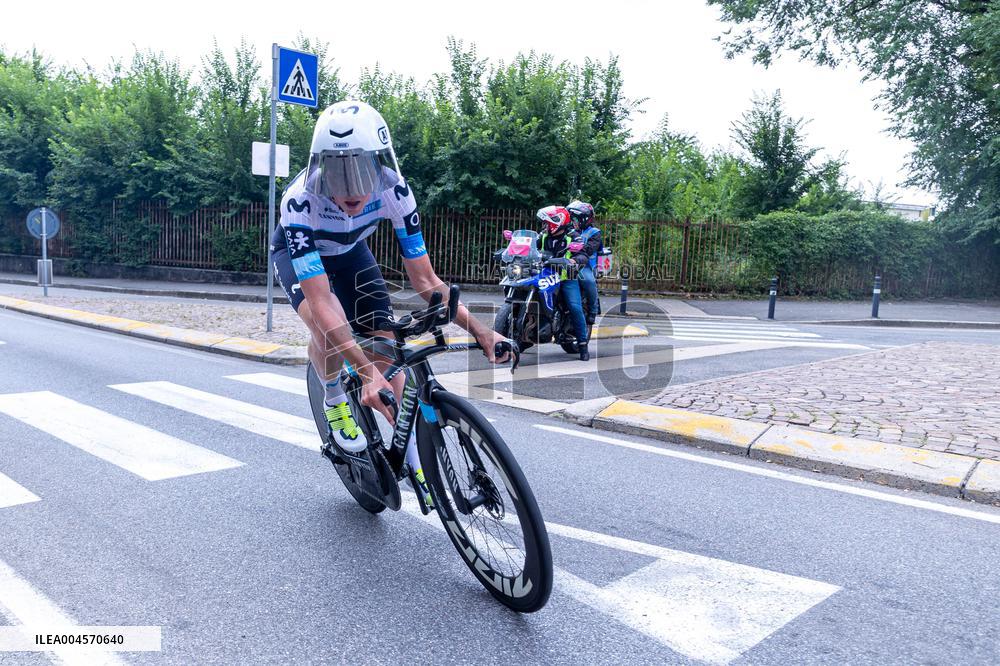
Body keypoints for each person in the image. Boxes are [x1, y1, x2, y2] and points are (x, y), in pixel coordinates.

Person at [271, 100, 509, 465]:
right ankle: (334, 400)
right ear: (321, 166)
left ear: (378, 164)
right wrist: (365, 373)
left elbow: (427, 280)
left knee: (384, 340)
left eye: (361, 173)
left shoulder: (394, 191)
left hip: (351, 252)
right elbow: (321, 302)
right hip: (300, 254)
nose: (351, 189)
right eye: (338, 173)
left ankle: (412, 451)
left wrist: (483, 331)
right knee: (325, 330)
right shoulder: (300, 201)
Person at [536, 205, 591, 361]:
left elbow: (583, 255)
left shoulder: (573, 236)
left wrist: (574, 260)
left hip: (566, 278)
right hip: (544, 276)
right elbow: (531, 247)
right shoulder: (543, 236)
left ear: (556, 222)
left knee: (574, 307)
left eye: (546, 223)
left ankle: (582, 344)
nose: (544, 226)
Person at [567, 200, 601, 327]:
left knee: (588, 281)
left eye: (575, 219)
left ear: (585, 219)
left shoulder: (594, 233)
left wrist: (575, 243)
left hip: (585, 264)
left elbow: (589, 249)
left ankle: (593, 309)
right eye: (571, 218)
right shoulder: (567, 230)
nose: (573, 221)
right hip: (566, 262)